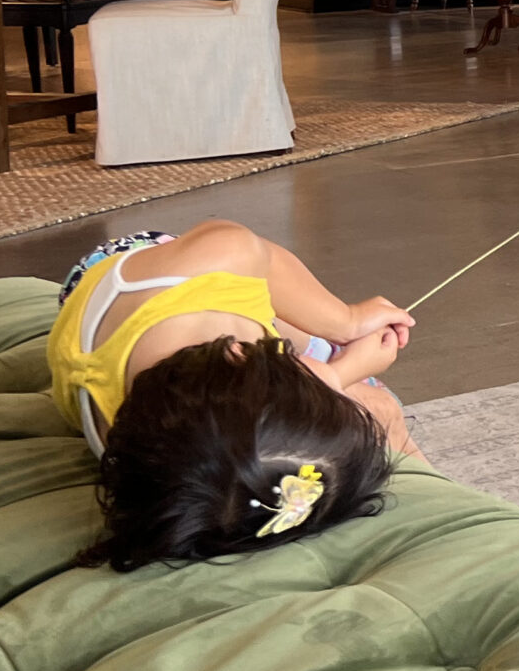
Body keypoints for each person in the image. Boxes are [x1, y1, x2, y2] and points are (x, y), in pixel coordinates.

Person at [47, 221, 421, 571]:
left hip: (131, 266)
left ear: (237, 352)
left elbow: (264, 258)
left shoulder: (222, 254)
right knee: (379, 405)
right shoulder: (150, 445)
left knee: (339, 366)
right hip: (141, 331)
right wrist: (342, 373)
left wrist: (346, 321)